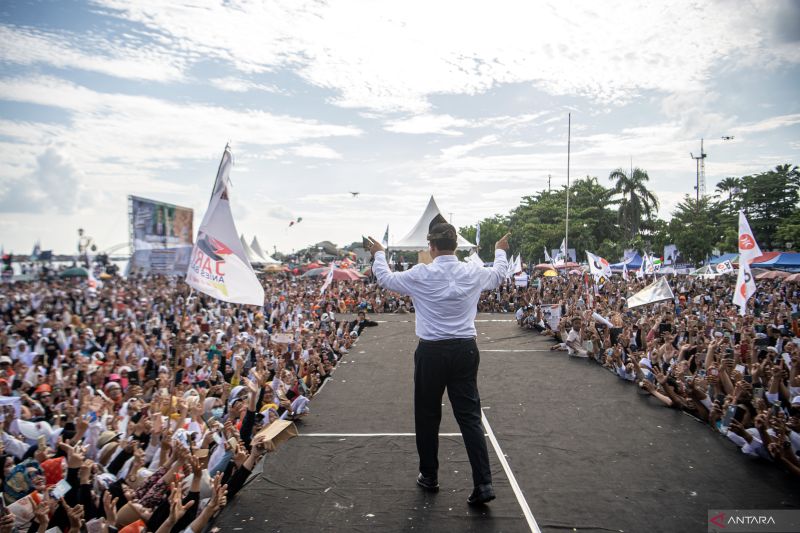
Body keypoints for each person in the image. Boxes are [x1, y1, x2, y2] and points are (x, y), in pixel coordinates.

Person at [368, 221, 509, 506]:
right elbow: (497, 276)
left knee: (428, 415)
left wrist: (379, 253)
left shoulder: (422, 273)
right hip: (465, 350)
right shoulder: (471, 270)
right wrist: (500, 251)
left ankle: (429, 475)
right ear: (455, 246)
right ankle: (483, 482)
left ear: (431, 247)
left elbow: (386, 279)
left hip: (432, 352)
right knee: (470, 417)